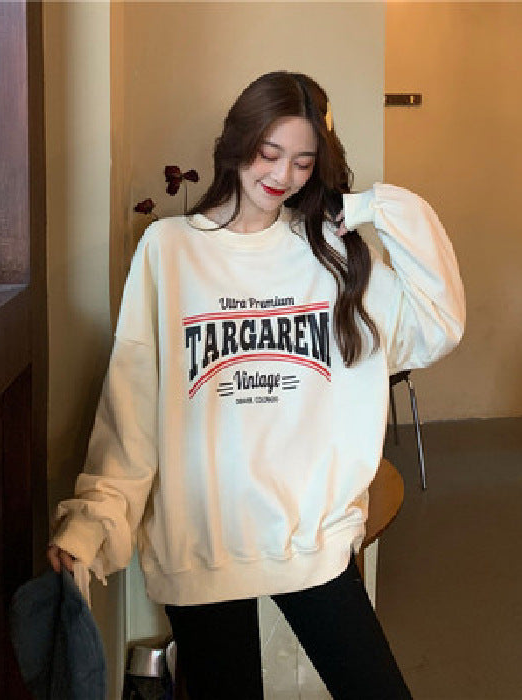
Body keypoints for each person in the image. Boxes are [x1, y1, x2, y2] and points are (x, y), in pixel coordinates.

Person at [48, 71, 465, 699]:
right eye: (269, 153)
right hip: (202, 543)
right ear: (237, 142)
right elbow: (132, 403)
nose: (282, 175)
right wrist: (93, 522)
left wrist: (377, 207)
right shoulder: (169, 250)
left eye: (303, 161)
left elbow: (437, 325)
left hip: (312, 537)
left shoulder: (329, 252)